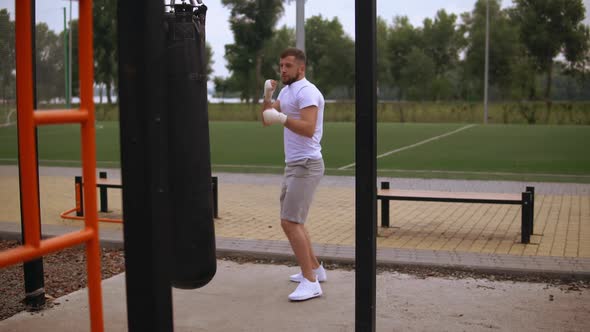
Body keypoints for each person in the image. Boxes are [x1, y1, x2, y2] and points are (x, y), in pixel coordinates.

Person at [261, 47, 327, 301]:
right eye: (281, 65)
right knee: (294, 221)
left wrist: (282, 117)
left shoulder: (307, 91)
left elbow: (309, 128)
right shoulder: (287, 91)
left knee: (289, 222)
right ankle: (316, 270)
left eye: (288, 66)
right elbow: (266, 120)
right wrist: (267, 95)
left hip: (307, 164)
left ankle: (310, 282)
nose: (283, 70)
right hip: (294, 164)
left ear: (301, 68)